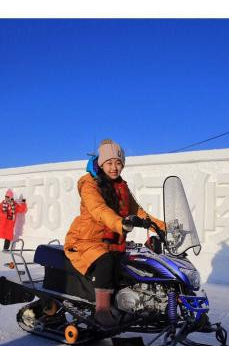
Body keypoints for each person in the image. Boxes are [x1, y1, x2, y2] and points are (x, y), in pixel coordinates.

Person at [64, 139, 165, 327]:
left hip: (113, 242)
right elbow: (99, 209)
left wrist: (162, 227)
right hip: (86, 240)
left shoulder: (121, 187)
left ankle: (126, 304)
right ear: (101, 163)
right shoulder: (89, 184)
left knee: (134, 264)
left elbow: (138, 211)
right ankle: (101, 310)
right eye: (109, 163)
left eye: (118, 163)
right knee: (106, 261)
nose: (114, 167)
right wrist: (120, 222)